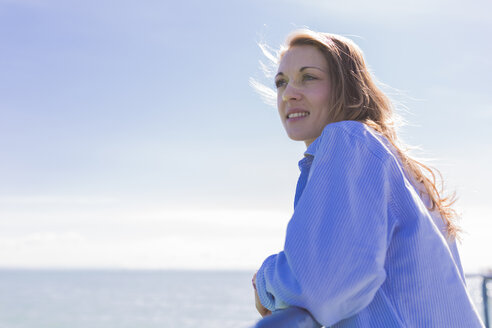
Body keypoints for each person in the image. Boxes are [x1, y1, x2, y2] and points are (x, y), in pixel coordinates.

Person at [252, 29, 484, 327]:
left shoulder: (349, 140)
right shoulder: (396, 165)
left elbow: (323, 284)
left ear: (344, 87)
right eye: (281, 82)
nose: (289, 93)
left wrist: (265, 281)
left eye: (308, 77)